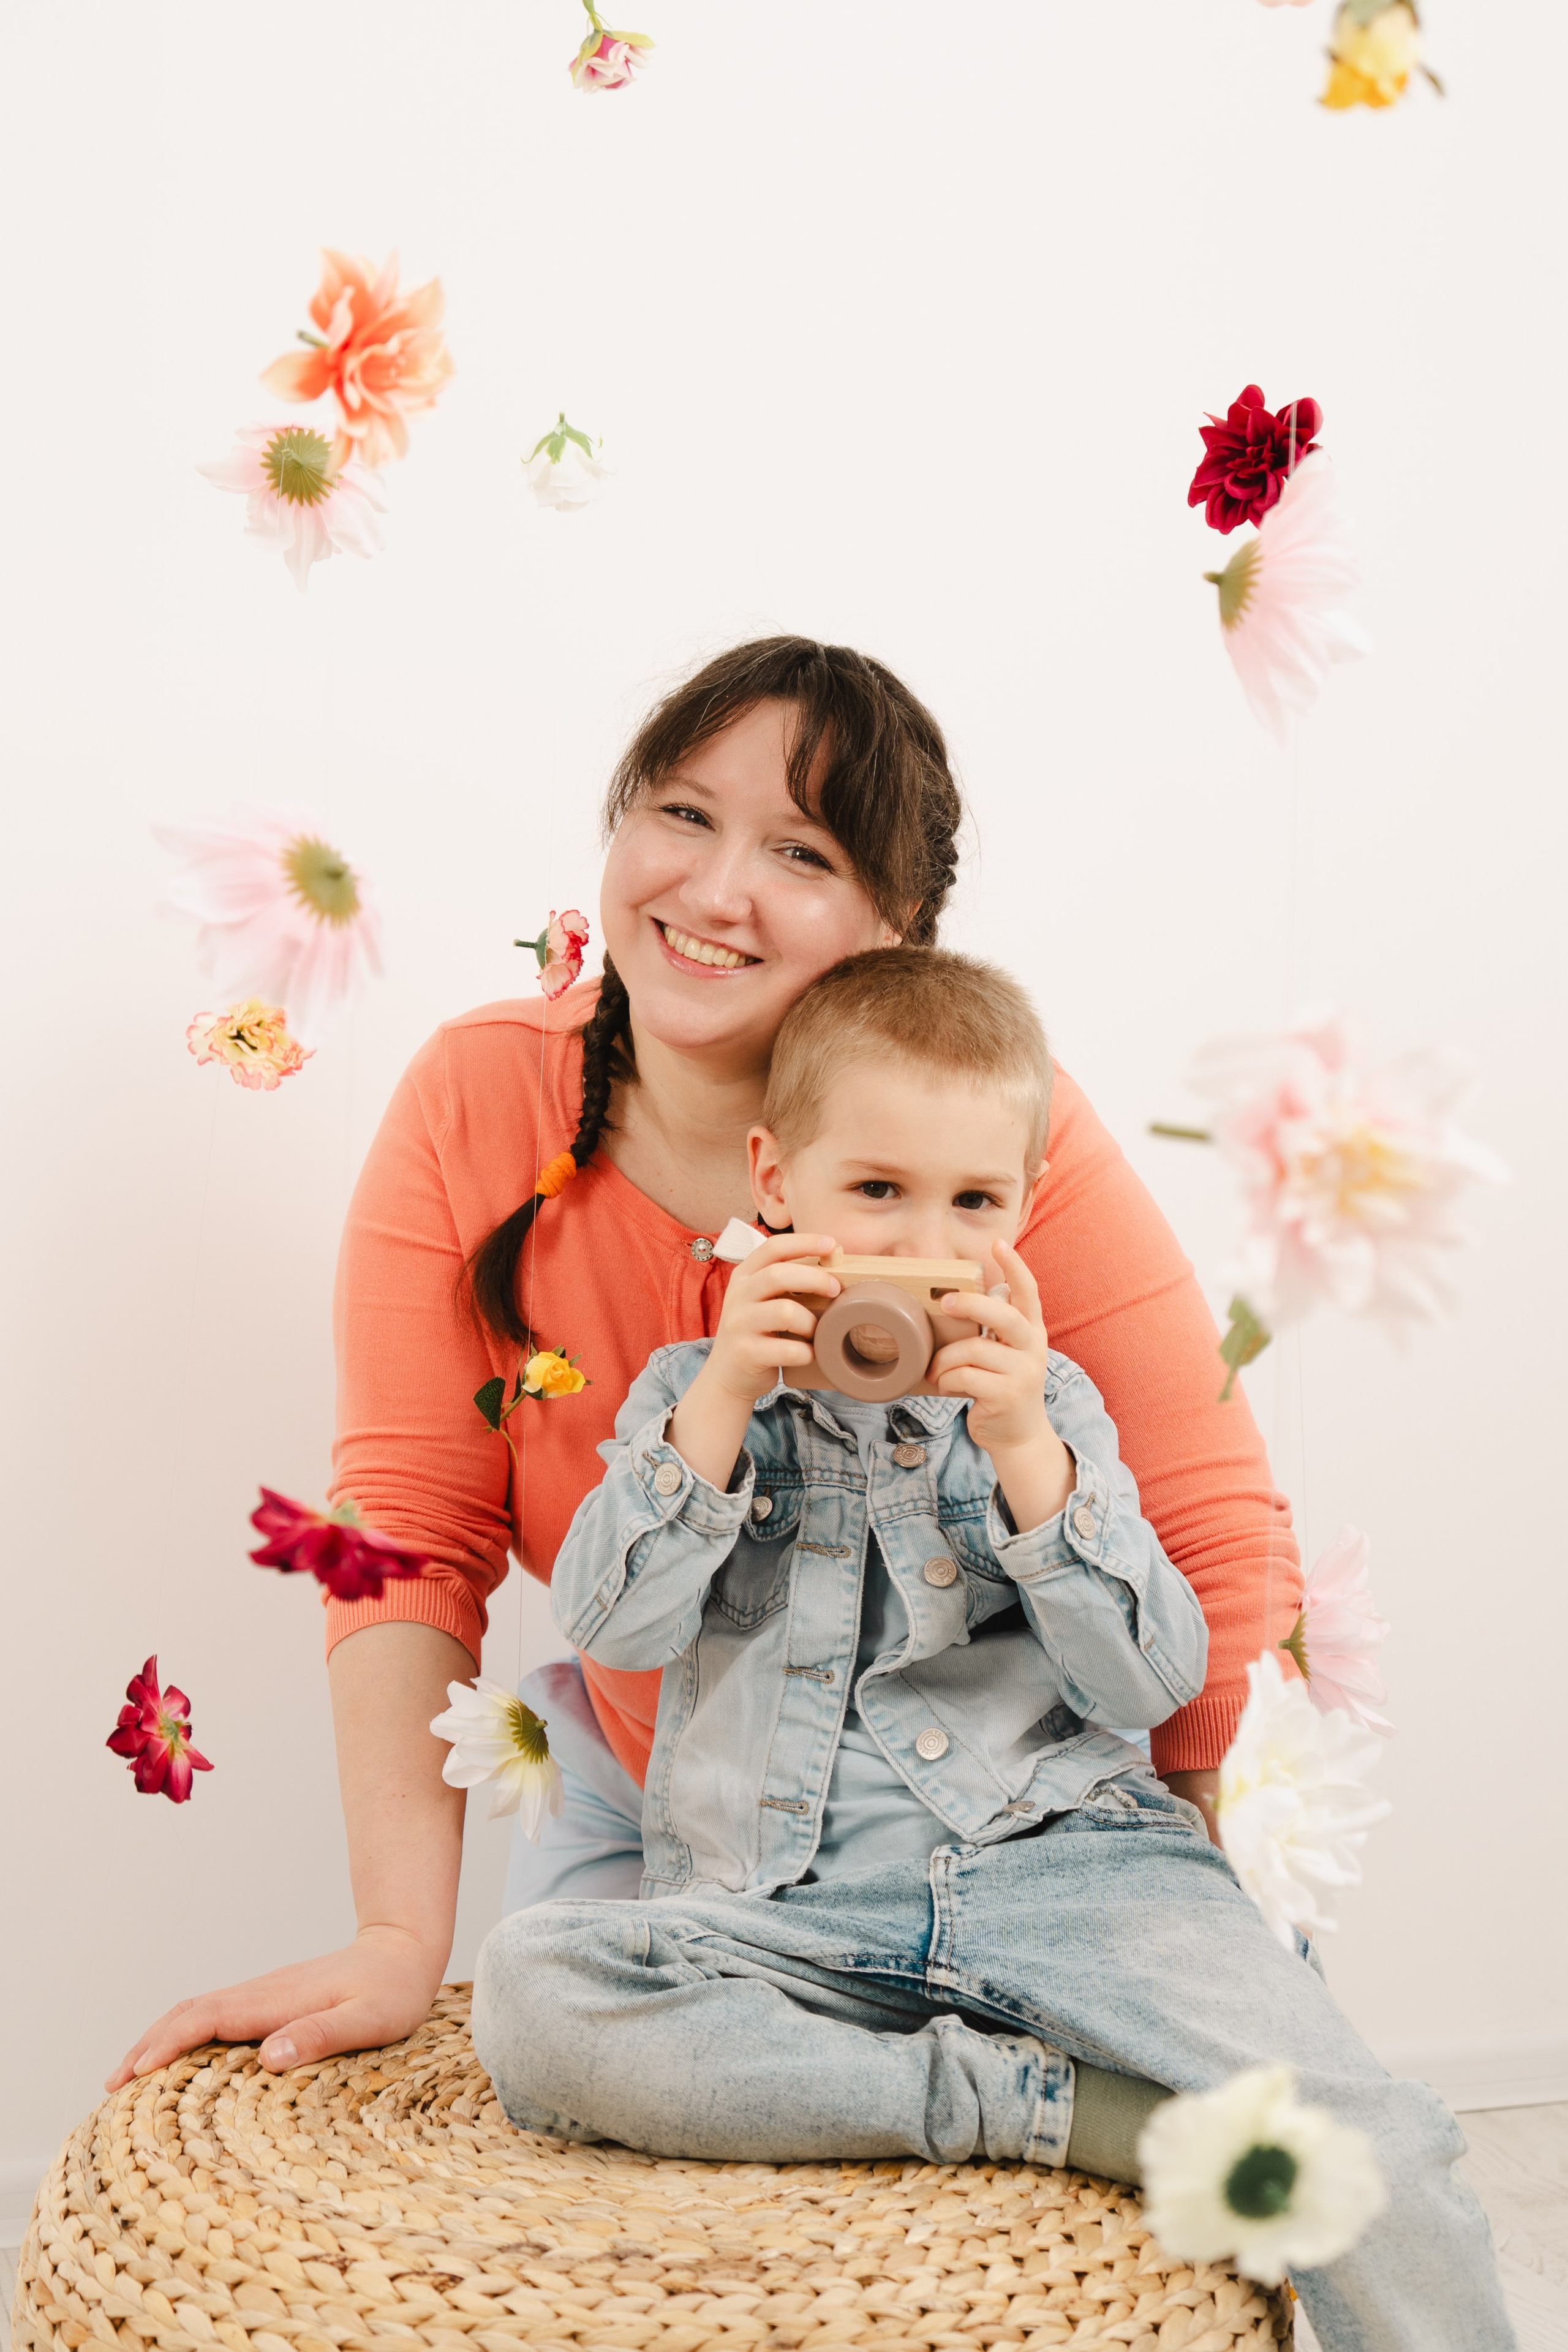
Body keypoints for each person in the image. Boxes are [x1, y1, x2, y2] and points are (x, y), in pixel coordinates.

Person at [108, 635, 1297, 2094]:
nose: (715, 890)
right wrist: (396, 1935)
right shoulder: (476, 1098)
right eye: (680, 812)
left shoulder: (978, 1140)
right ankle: (1015, 2109)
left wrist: (1217, 1902)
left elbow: (1208, 1517)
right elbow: (408, 1528)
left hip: (1001, 1819)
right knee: (556, 2040)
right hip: (673, 1807)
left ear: (899, 926)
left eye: (799, 851)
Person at [472, 948, 1513, 2352]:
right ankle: (1043, 2108)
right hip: (785, 1910)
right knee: (535, 1995)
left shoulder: (1046, 1405)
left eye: (972, 1203)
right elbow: (613, 1624)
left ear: (1024, 1207)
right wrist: (719, 1398)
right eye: (876, 1191)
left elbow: (1146, 1682)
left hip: (1066, 1875)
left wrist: (1025, 1451)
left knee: (1368, 2141)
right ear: (774, 1181)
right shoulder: (695, 1392)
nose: (928, 1241)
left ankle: (1071, 2071)